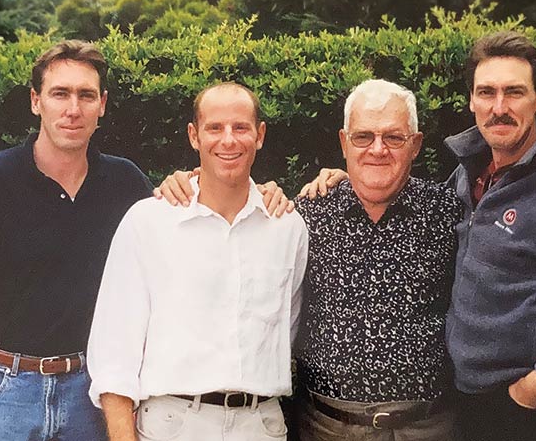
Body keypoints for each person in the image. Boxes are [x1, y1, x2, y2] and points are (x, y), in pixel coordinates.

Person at [298, 31, 536, 441]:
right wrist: (349, 180)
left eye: (514, 92)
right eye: (486, 92)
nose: (499, 107)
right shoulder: (468, 180)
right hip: (470, 409)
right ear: (471, 100)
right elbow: (384, 176)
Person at [0, 40, 291, 441]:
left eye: (85, 95)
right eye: (59, 93)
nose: (72, 108)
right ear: (36, 101)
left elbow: (188, 216)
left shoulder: (125, 183)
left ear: (101, 104)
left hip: (89, 396)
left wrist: (240, 188)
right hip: (6, 393)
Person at [160, 79, 463, 440]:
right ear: (343, 142)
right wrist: (192, 183)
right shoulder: (306, 214)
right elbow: (235, 208)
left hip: (427, 428)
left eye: (394, 137)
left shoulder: (449, 212)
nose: (377, 149)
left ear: (415, 145)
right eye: (363, 136)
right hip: (327, 428)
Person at [86, 82, 309, 441]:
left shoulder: (288, 227)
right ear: (194, 136)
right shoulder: (150, 221)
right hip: (172, 424)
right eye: (214, 128)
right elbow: (114, 353)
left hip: (260, 425)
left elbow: (290, 328)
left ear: (260, 135)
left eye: (240, 128)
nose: (228, 141)